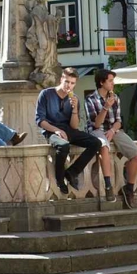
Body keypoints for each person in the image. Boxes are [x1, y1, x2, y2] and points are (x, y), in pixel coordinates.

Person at [35, 67, 103, 199]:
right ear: (61, 79)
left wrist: (74, 109)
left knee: (96, 143)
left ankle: (72, 172)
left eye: (72, 83)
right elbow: (40, 120)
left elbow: (74, 126)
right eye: (67, 82)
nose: (69, 86)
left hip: (69, 130)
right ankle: (60, 179)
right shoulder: (46, 94)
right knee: (63, 146)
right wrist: (56, 130)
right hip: (51, 130)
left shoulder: (74, 98)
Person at [86, 69, 137, 208]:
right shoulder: (90, 99)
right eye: (110, 81)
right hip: (96, 131)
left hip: (113, 130)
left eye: (113, 81)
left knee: (136, 154)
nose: (113, 83)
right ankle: (108, 186)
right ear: (101, 82)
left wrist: (112, 130)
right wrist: (105, 107)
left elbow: (118, 121)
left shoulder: (115, 97)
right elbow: (96, 124)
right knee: (104, 146)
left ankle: (129, 189)